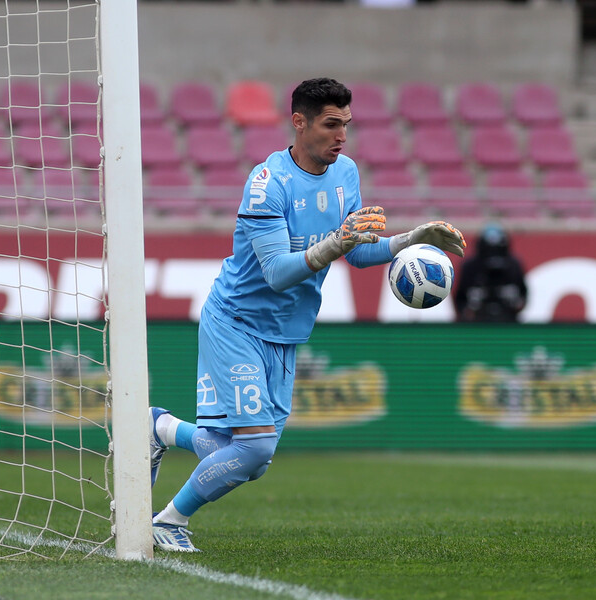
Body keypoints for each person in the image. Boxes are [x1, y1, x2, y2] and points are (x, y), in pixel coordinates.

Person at [148, 77, 467, 552]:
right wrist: (336, 242)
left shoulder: (346, 174)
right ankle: (168, 523)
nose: (341, 136)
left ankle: (158, 427)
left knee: (244, 456)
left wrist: (409, 240)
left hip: (286, 333)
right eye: (330, 124)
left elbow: (357, 254)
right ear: (299, 122)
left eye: (346, 125)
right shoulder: (266, 184)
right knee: (255, 446)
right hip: (236, 322)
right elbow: (277, 272)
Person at [452, 224, 527, 322]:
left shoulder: (513, 265)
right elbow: (460, 297)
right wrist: (468, 309)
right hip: (476, 322)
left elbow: (523, 294)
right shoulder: (470, 266)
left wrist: (514, 302)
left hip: (508, 319)